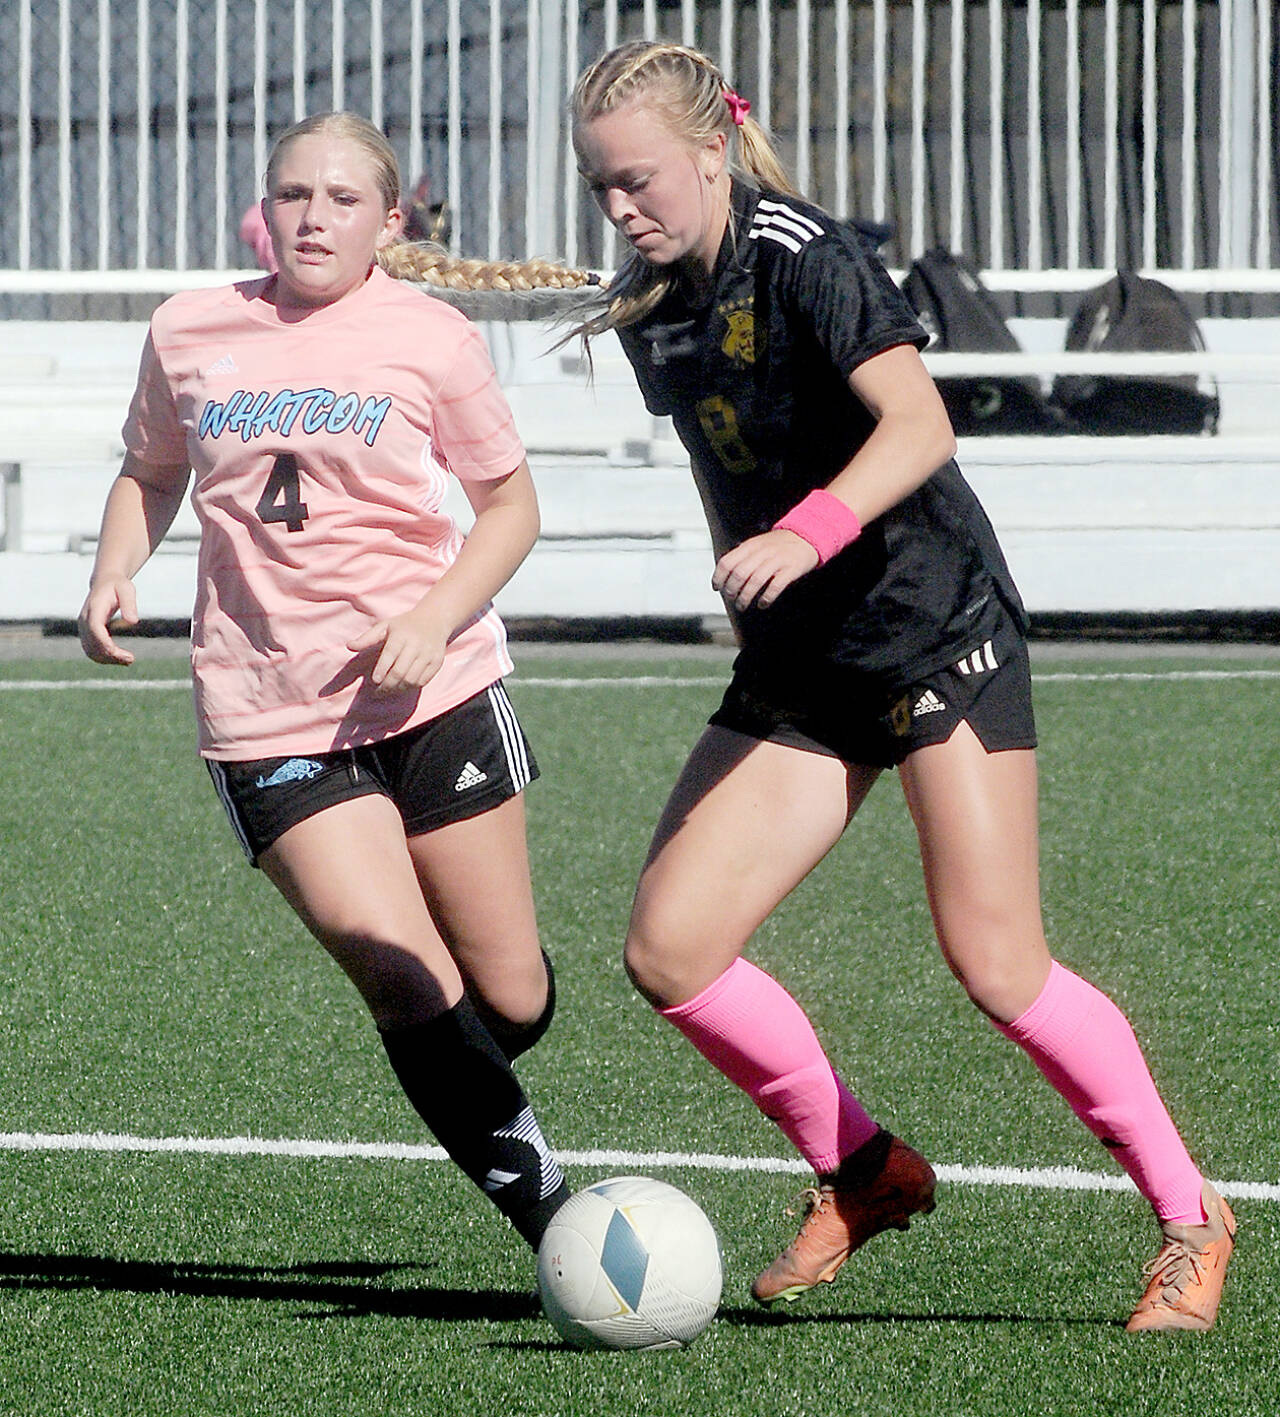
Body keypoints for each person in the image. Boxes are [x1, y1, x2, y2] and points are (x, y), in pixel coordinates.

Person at [570, 40, 1234, 1331]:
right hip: (803, 661)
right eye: (599, 185)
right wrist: (751, 574)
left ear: (711, 151)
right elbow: (724, 461)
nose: (619, 207)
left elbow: (920, 424)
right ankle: (866, 1170)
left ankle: (1190, 1216)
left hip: (934, 632)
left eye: (636, 179)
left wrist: (805, 533)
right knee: (671, 947)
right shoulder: (654, 299)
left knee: (997, 960)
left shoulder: (805, 253)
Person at [78, 111, 594, 1255]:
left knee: (509, 999)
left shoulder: (431, 336)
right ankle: (564, 1229)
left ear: (389, 220)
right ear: (263, 209)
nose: (313, 218)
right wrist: (114, 569)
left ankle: (470, 1056)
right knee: (402, 973)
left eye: (342, 199)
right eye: (292, 195)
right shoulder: (188, 329)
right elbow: (149, 470)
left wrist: (433, 615)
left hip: (435, 694)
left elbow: (510, 509)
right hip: (268, 716)